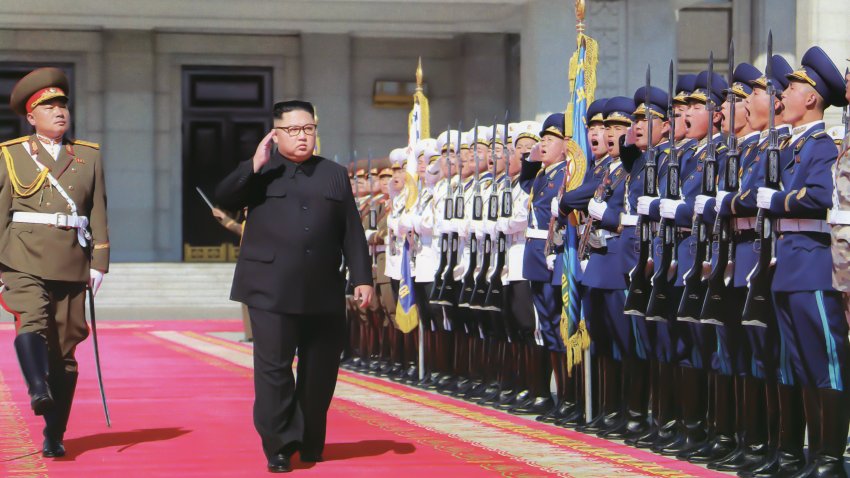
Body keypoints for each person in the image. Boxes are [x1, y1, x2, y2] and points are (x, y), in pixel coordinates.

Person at [215, 99, 373, 473]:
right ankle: (280, 445)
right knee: (274, 371)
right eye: (294, 130)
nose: (303, 137)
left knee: (321, 371)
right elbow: (224, 197)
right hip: (271, 288)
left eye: (308, 129)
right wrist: (252, 164)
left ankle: (310, 438)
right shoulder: (261, 172)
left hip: (323, 287)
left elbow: (351, 229)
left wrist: (362, 277)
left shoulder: (334, 174)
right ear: (276, 132)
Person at [0, 67, 109, 458]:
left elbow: (97, 210)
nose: (59, 111)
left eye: (62, 104)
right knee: (29, 318)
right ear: (31, 117)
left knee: (64, 352)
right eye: (49, 106)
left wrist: (100, 261)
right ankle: (36, 388)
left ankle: (55, 432)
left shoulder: (88, 157)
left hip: (71, 259)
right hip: (22, 256)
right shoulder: (10, 155)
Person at [756, 46, 850, 477]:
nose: (783, 97)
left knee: (825, 362)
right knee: (798, 365)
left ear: (811, 97)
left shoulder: (822, 146)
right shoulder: (794, 146)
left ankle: (829, 457)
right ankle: (807, 455)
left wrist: (775, 199)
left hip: (813, 261)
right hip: (789, 262)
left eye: (791, 89)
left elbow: (819, 196)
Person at [211, 206, 253, 342]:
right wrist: (222, 218)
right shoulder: (249, 223)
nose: (245, 212)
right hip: (248, 267)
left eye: (248, 209)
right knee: (246, 302)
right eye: (245, 209)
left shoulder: (258, 224)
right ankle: (250, 334)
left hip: (258, 268)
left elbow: (238, 228)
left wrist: (223, 218)